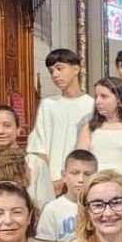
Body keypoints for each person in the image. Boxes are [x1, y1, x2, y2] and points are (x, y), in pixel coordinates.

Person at [27, 49, 95, 195]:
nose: (55, 75)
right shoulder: (48, 105)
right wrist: (46, 183)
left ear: (76, 69)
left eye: (59, 68)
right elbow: (40, 147)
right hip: (51, 184)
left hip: (82, 182)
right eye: (51, 71)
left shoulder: (92, 106)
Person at [77, 77, 122, 181]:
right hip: (95, 185)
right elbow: (82, 162)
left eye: (104, 96)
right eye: (96, 96)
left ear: (119, 100)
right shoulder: (89, 128)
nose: (98, 101)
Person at [0, 105, 54, 208]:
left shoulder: (35, 163)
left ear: (18, 129)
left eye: (7, 125)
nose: (1, 131)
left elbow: (46, 204)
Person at [37, 149, 98, 242]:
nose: (81, 179)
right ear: (64, 176)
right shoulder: (52, 209)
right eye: (75, 173)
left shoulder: (102, 207)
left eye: (87, 174)